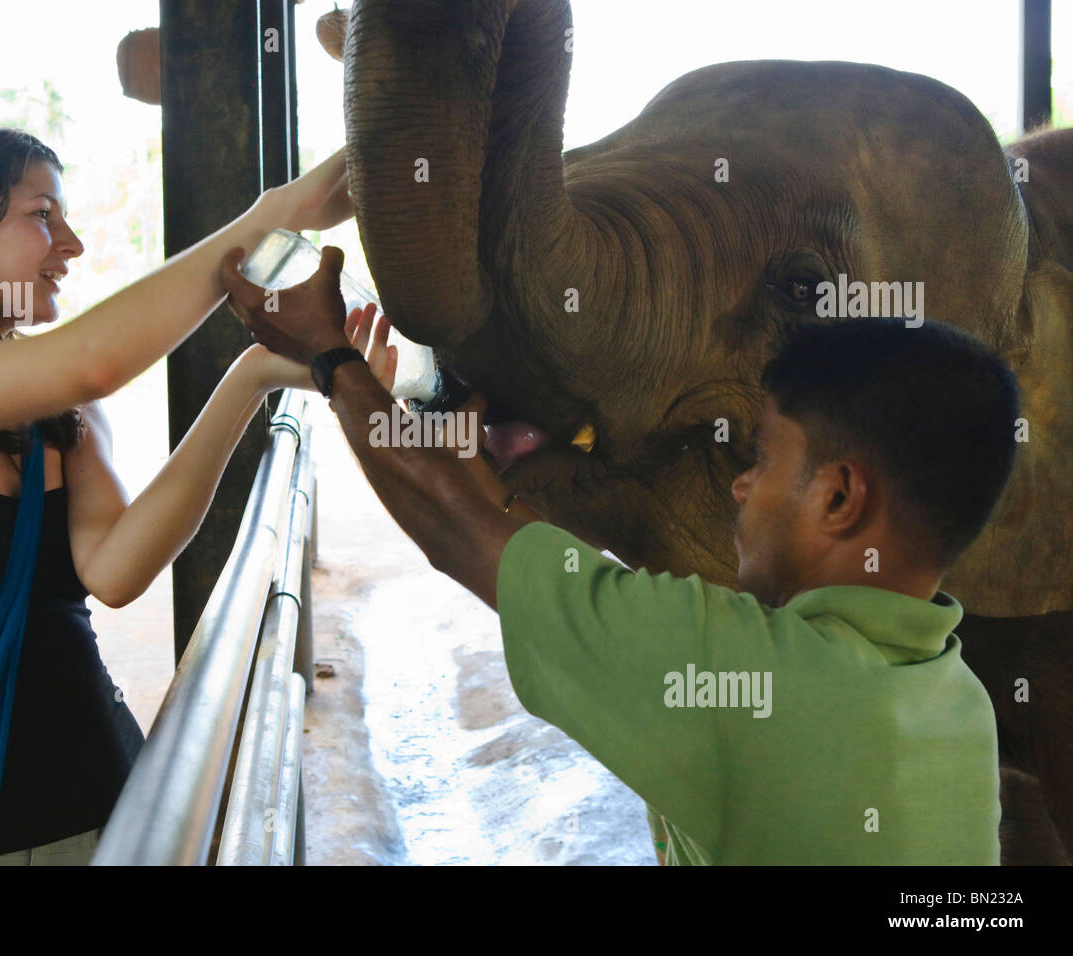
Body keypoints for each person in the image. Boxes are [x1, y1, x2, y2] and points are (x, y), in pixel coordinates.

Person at [221, 246, 1021, 865]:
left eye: (764, 457)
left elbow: (457, 533)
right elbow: (507, 538)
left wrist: (332, 358)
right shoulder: (958, 703)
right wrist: (489, 495)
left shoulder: (753, 681)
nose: (742, 486)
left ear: (840, 499)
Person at [0, 118, 388, 865]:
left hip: (117, 812)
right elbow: (92, 361)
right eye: (41, 216)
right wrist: (280, 212)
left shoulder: (61, 413)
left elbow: (114, 569)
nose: (71, 244)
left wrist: (254, 376)